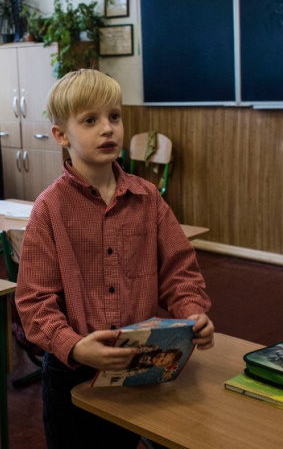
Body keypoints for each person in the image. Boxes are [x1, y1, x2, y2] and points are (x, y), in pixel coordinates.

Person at [14, 69, 215, 449]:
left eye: (114, 117)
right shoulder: (50, 209)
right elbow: (34, 301)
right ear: (61, 135)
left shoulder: (148, 198)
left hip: (141, 362)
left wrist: (192, 313)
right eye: (90, 120)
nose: (107, 129)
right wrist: (73, 345)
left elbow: (179, 270)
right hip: (73, 371)